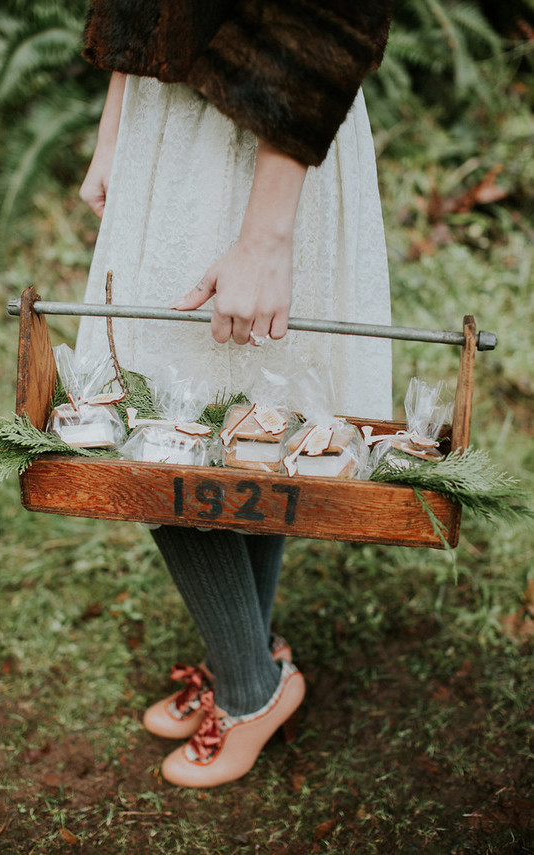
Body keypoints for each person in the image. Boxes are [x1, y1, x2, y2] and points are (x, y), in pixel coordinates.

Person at [77, 0, 394, 787]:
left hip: (266, 135)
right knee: (210, 406)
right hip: (168, 119)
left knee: (155, 424)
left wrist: (266, 233)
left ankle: (251, 689)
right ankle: (252, 658)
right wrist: (120, 117)